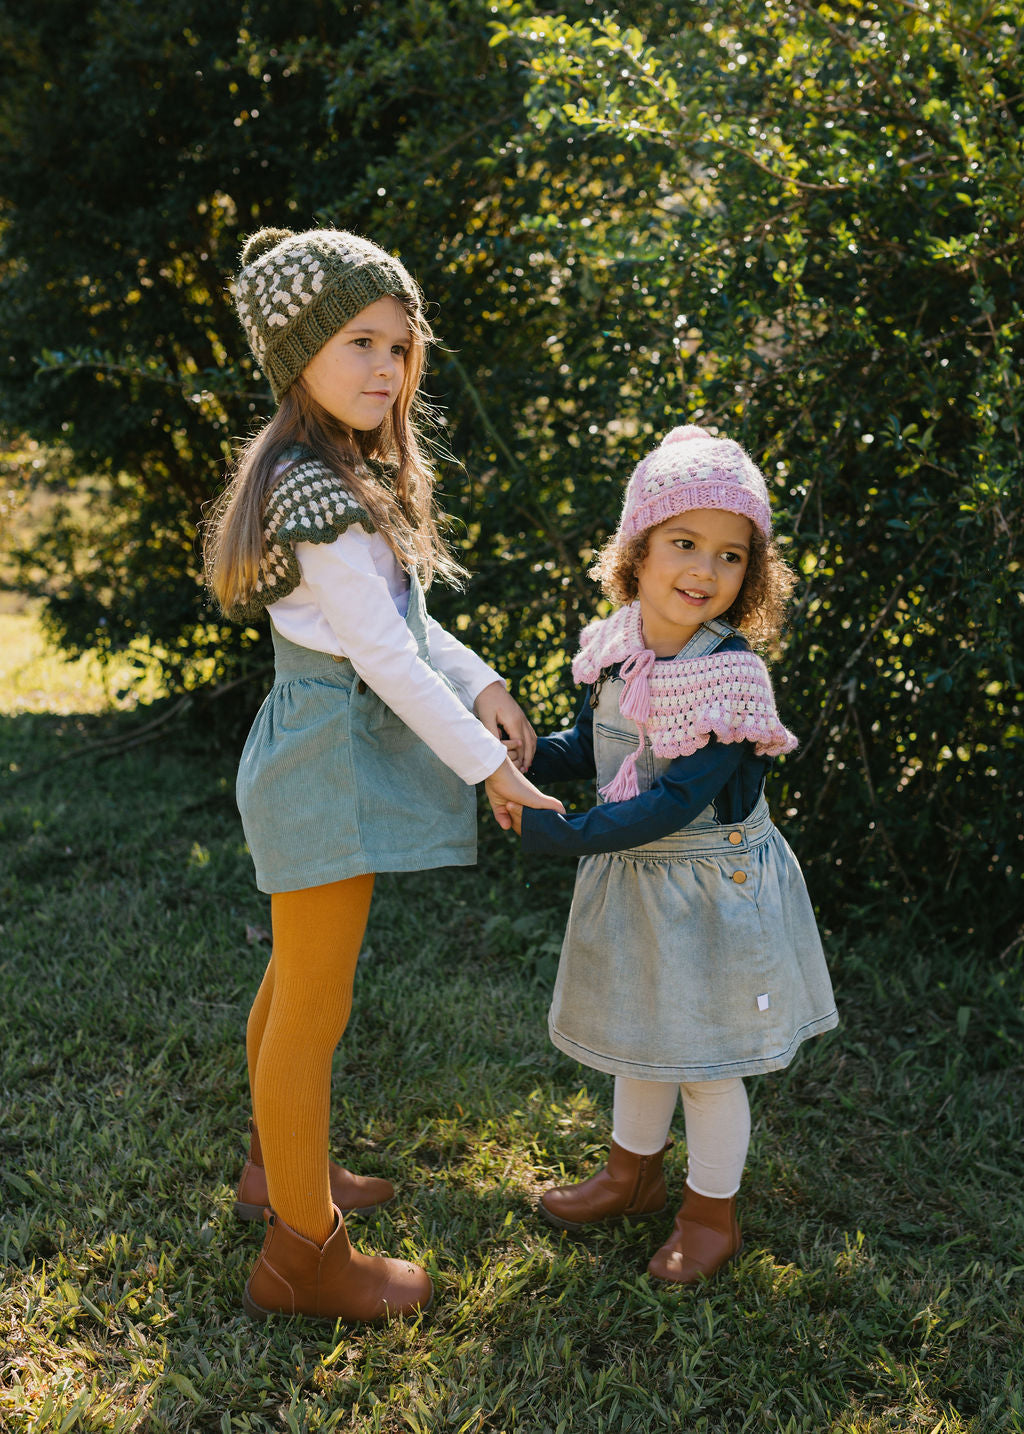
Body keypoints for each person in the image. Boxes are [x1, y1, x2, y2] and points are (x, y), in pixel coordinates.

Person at [204, 225, 562, 1323]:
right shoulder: (315, 492)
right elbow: (384, 660)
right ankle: (304, 1254)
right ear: (298, 356)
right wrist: (489, 771)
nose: (386, 367)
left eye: (401, 347)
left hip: (327, 757)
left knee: (294, 985)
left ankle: (277, 1170)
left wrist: (485, 683)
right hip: (327, 768)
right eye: (359, 341)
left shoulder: (342, 475)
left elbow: (408, 626)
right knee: (314, 1003)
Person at [505, 425, 838, 1285]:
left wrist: (562, 834)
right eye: (684, 543)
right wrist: (524, 757)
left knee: (707, 1064)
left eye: (730, 555)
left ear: (751, 574)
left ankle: (709, 1215)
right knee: (640, 1031)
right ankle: (631, 1176)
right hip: (640, 881)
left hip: (709, 887)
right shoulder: (619, 647)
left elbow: (671, 802)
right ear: (638, 550)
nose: (704, 570)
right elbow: (594, 746)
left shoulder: (730, 674)